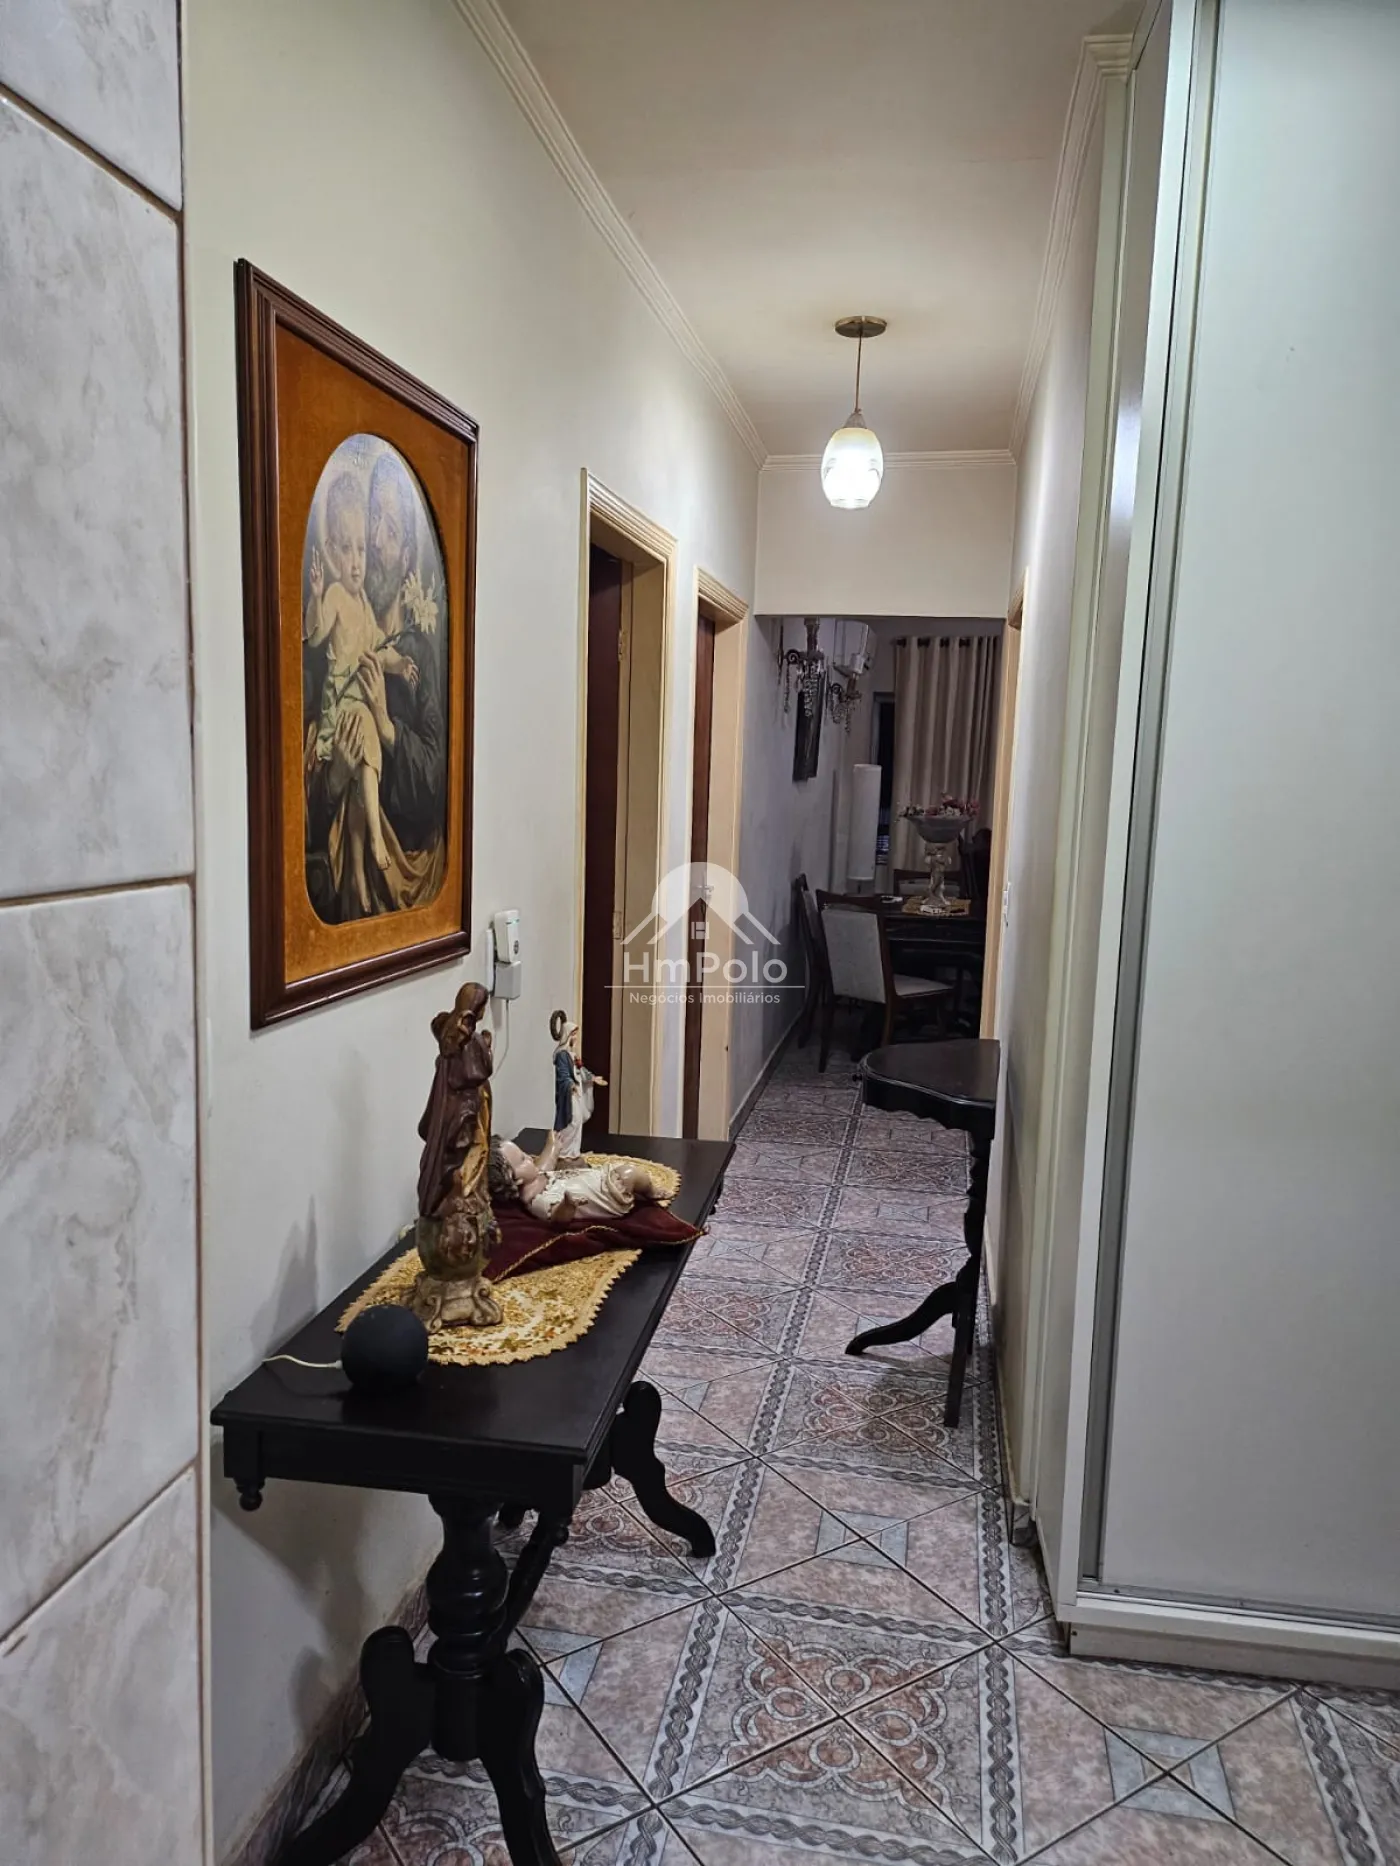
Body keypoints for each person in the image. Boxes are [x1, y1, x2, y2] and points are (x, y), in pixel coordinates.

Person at [303, 447, 448, 923]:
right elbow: (302, 796)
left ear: (406, 556)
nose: (376, 542)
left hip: (412, 892)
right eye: (373, 522)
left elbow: (436, 780)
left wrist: (386, 727)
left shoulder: (419, 652)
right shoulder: (342, 623)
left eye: (391, 530)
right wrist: (334, 778)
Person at [411, 982, 502, 1328]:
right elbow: (480, 1070)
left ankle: (453, 1266)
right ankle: (454, 1276)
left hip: (449, 1117)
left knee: (447, 1171)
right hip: (464, 1118)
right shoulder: (469, 1040)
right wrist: (486, 1046)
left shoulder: (446, 1030)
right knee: (461, 1176)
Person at [490, 1131, 666, 1225]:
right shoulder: (537, 1201)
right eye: (522, 1160)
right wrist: (568, 1205)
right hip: (607, 1195)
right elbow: (557, 1217)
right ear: (516, 1180)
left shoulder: (534, 1178)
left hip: (598, 1178)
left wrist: (553, 1147)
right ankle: (650, 1191)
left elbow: (544, 1165)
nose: (529, 1157)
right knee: (630, 1173)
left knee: (618, 1166)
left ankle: (640, 1185)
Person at [550, 1010, 606, 1160]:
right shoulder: (562, 1055)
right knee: (572, 1120)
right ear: (567, 1036)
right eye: (573, 1034)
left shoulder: (572, 1055)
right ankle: (563, 1152)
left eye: (576, 1034)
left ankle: (573, 1152)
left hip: (576, 1091)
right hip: (569, 1093)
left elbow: (580, 1071)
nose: (575, 1038)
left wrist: (592, 1078)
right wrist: (570, 1085)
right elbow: (563, 1075)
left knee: (578, 1120)